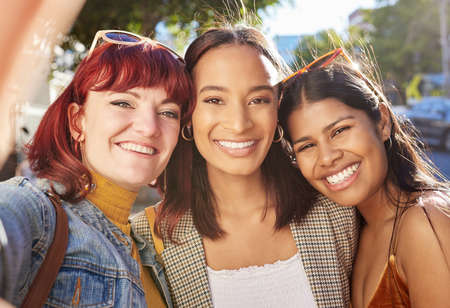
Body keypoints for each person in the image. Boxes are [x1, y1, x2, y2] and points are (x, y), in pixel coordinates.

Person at [131, 25, 359, 308]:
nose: (239, 124)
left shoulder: (337, 211)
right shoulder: (144, 239)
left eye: (258, 100)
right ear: (188, 114)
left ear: (277, 107)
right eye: (215, 100)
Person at [0, 30, 193, 307]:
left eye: (168, 112)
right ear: (78, 122)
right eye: (123, 103)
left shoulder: (152, 252)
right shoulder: (35, 209)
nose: (150, 127)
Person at [278, 48, 450, 308]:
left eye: (339, 130)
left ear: (382, 122)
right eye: (306, 146)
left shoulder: (425, 221)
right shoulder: (353, 233)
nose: (327, 157)